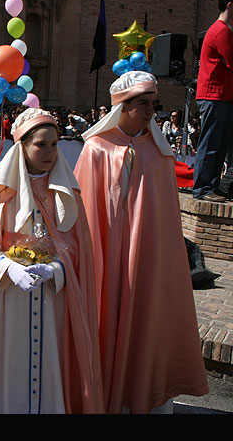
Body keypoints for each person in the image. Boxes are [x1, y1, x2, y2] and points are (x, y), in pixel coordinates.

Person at [0, 108, 104, 414]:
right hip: (10, 299)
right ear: (23, 146)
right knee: (11, 356)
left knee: (51, 356)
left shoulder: (67, 193)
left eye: (54, 144)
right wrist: (9, 268)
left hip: (52, 297)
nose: (48, 152)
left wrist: (55, 268)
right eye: (40, 144)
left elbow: (77, 250)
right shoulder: (3, 195)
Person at [74, 70, 209, 413]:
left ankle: (143, 392)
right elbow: (86, 211)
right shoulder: (96, 149)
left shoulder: (157, 152)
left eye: (153, 104)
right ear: (122, 106)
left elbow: (164, 214)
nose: (151, 111)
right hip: (109, 256)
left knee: (147, 320)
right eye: (143, 105)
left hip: (147, 256)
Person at [192, 0, 233, 202]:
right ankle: (202, 189)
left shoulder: (223, 30)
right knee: (210, 144)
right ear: (230, 5)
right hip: (214, 95)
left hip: (223, 95)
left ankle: (212, 187)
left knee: (221, 144)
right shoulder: (221, 31)